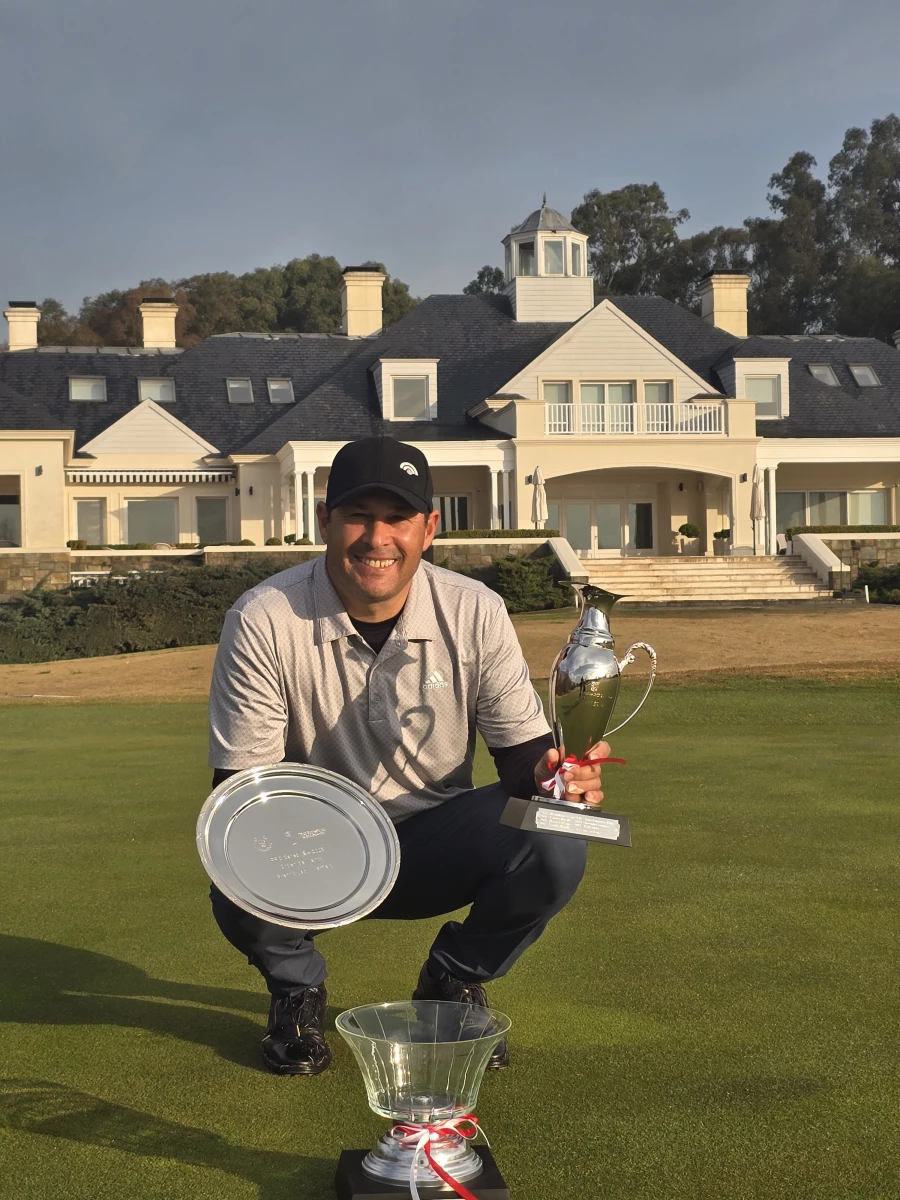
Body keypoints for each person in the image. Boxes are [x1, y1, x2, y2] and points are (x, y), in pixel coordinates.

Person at [207, 436, 605, 1076]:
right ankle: (296, 991)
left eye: (397, 517)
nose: (377, 538)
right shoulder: (264, 618)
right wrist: (275, 846)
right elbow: (242, 789)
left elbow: (520, 756)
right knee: (236, 858)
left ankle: (453, 981)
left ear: (429, 528)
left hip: (434, 840)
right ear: (325, 521)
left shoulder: (475, 610)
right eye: (358, 516)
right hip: (318, 846)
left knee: (556, 833)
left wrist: (553, 774)